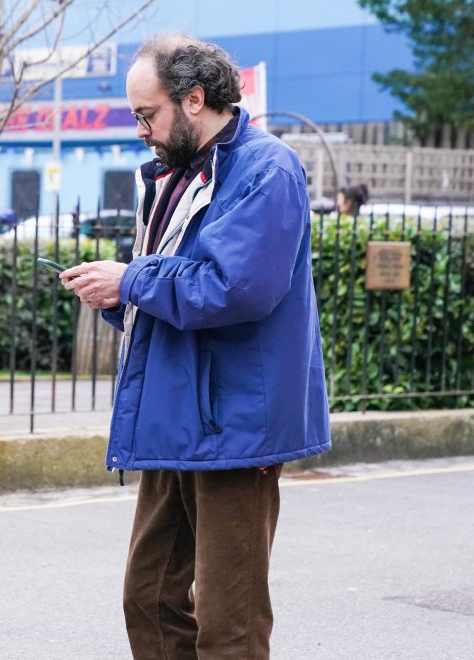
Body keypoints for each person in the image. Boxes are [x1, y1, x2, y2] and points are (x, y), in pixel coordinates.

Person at [60, 35, 331, 659]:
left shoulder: (267, 168)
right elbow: (175, 289)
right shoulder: (178, 176)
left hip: (238, 426)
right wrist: (119, 295)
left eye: (145, 114)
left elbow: (239, 287)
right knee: (148, 596)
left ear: (194, 99)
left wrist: (130, 279)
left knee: (226, 618)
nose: (139, 130)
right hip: (177, 414)